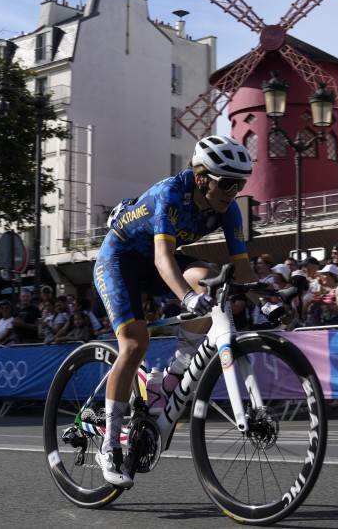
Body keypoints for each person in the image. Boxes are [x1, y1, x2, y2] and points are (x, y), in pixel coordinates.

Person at [91, 135, 256, 488]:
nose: (233, 191)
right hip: (119, 260)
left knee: (211, 281)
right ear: (201, 178)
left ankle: (171, 376)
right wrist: (185, 297)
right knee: (135, 345)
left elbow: (242, 270)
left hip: (154, 263)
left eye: (240, 183)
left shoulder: (228, 209)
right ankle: (109, 446)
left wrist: (270, 300)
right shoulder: (171, 193)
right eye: (227, 182)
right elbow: (163, 259)